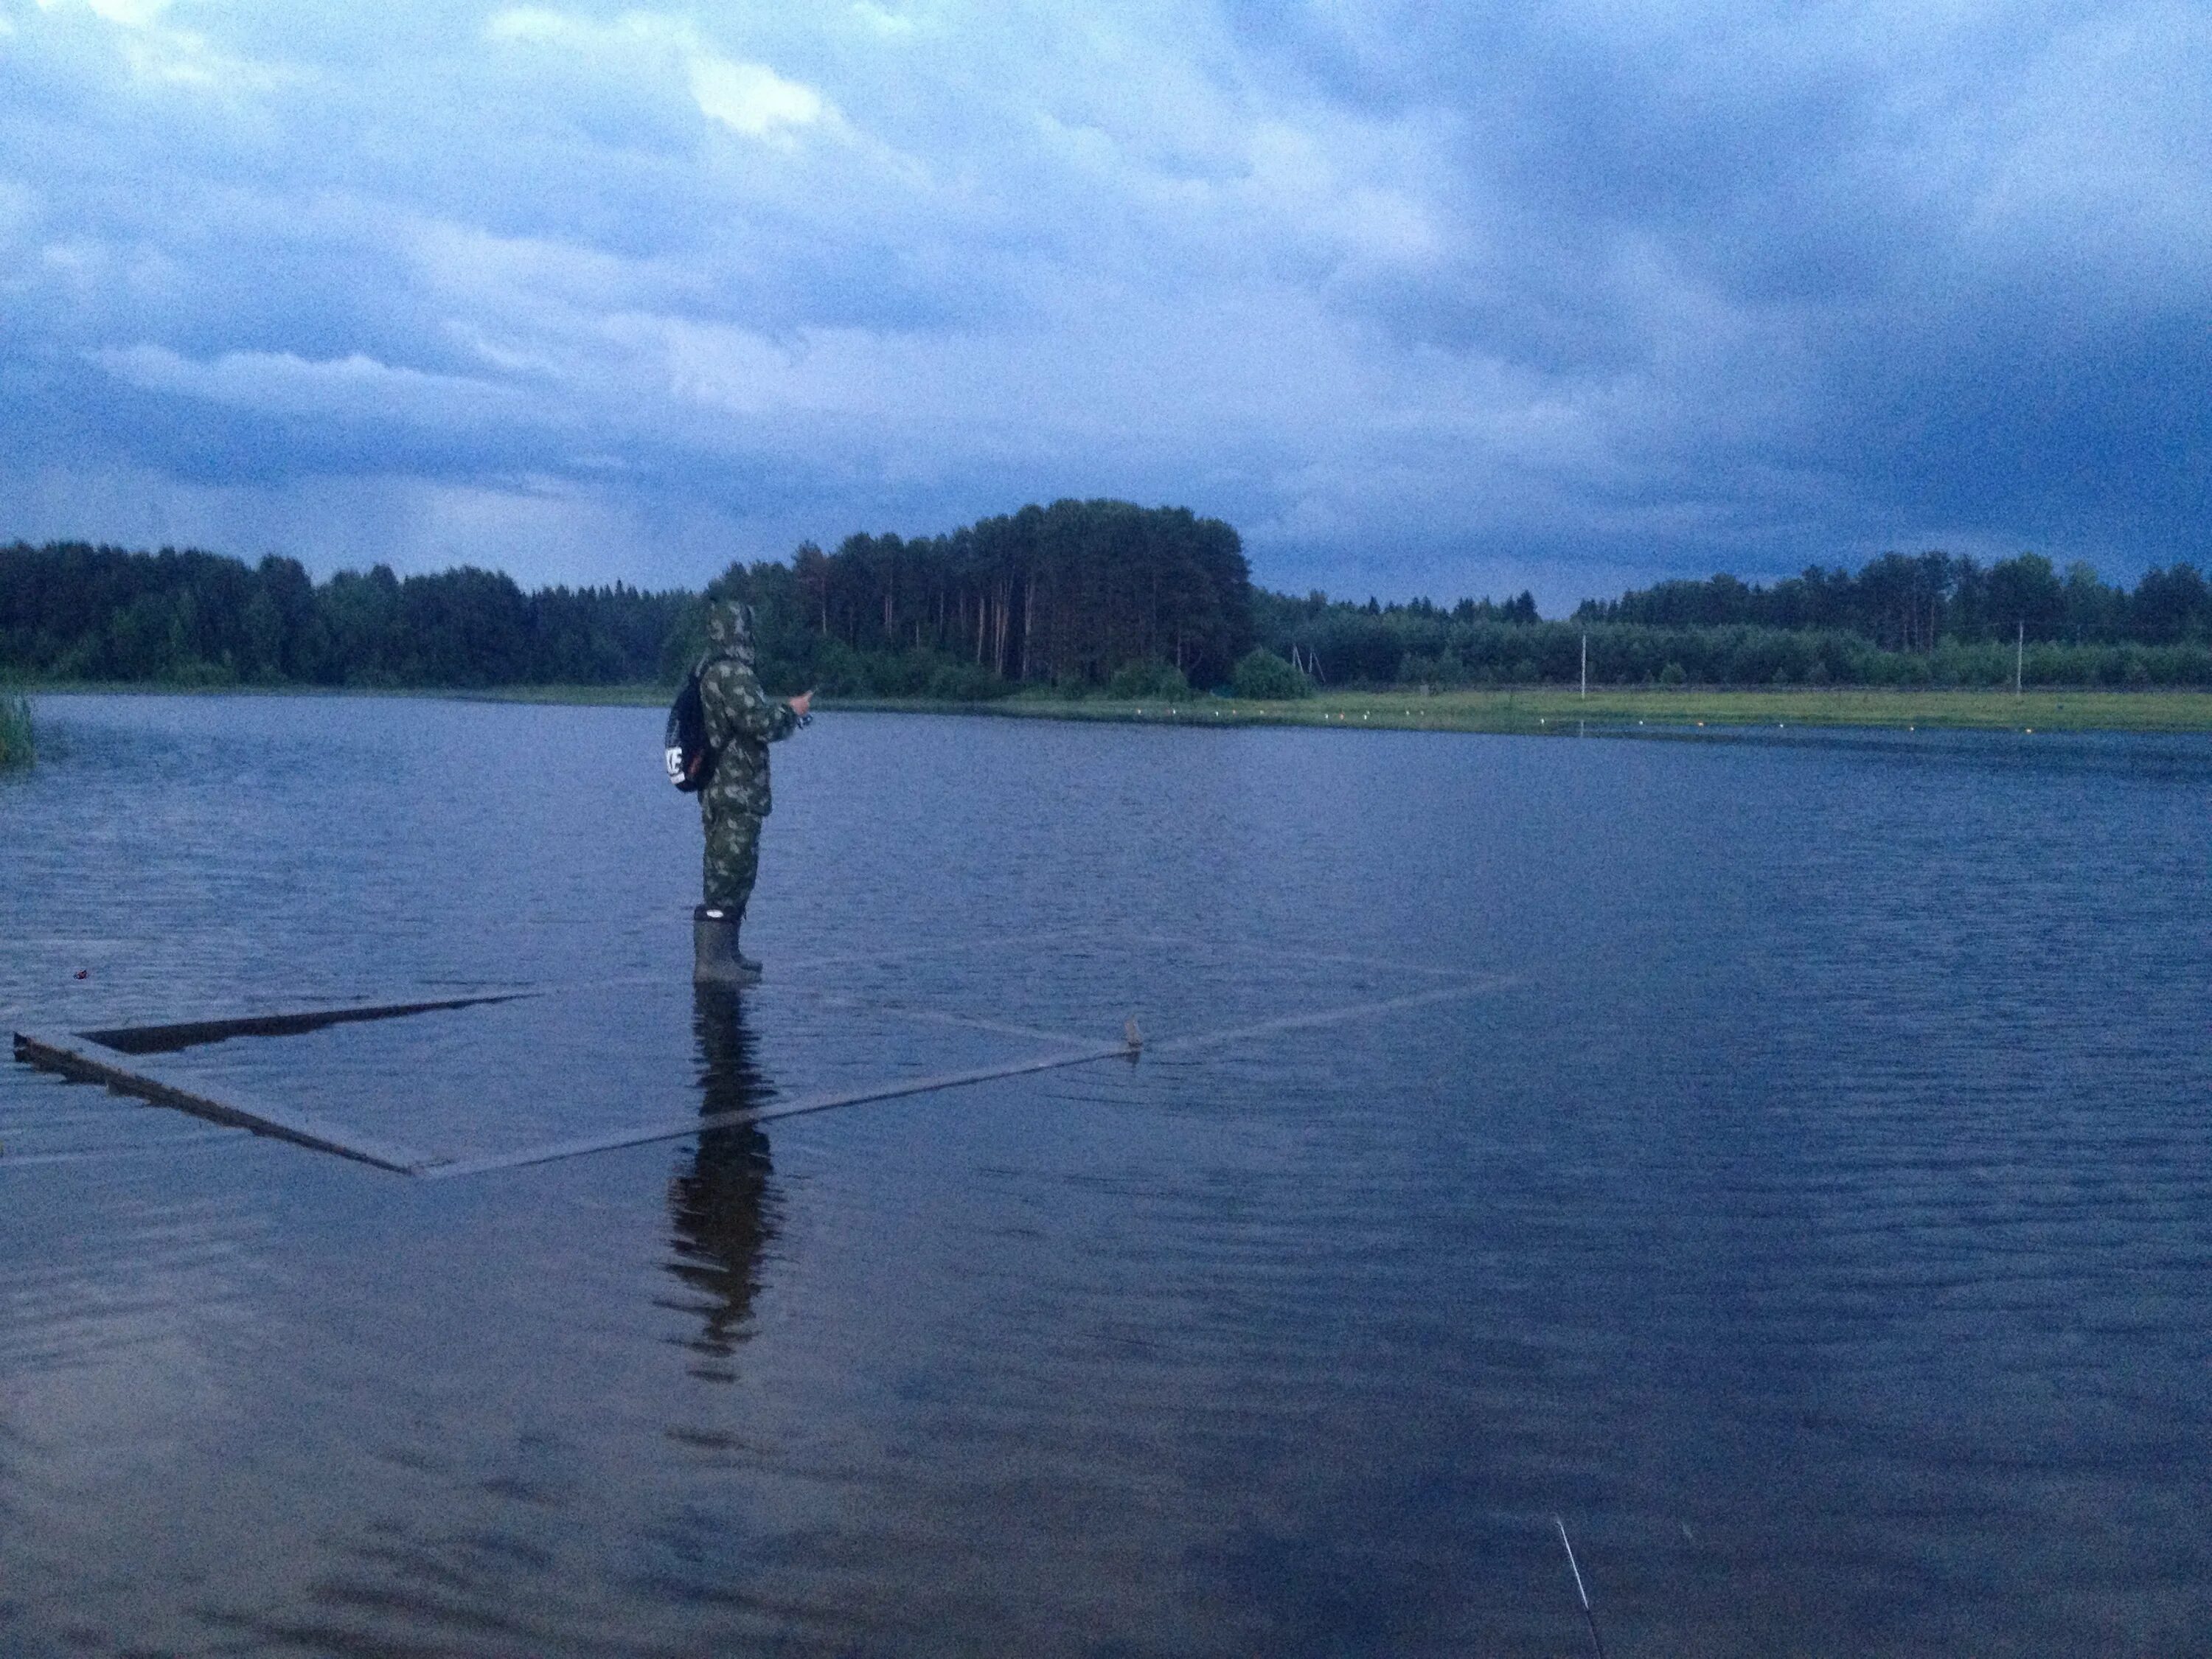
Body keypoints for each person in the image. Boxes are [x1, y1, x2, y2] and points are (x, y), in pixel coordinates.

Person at [693, 599, 811, 983]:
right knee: (727, 873)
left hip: (730, 792)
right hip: (733, 793)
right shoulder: (731, 673)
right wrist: (792, 711)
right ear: (739, 629)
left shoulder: (713, 670)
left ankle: (728, 955)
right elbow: (759, 723)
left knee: (737, 871)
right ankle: (712, 964)